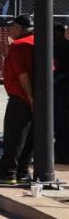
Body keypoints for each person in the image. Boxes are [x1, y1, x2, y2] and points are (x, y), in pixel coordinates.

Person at [0, 14, 35, 183]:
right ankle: (22, 173)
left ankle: (7, 173)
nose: (10, 29)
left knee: (14, 138)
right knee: (28, 138)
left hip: (20, 98)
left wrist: (30, 97)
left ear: (21, 28)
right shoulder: (40, 43)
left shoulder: (18, 46)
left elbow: (22, 75)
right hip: (37, 100)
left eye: (13, 26)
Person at [54, 23, 69, 164]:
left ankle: (61, 154)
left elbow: (55, 64)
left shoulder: (59, 46)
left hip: (61, 88)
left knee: (60, 121)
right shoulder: (64, 44)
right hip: (63, 86)